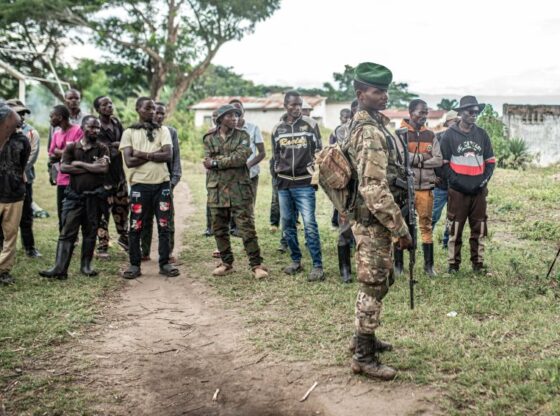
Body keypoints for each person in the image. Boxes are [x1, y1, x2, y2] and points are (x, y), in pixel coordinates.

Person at [346, 62, 412, 380]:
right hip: (374, 220)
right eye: (376, 91)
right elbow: (373, 188)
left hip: (372, 219)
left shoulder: (371, 124)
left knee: (383, 280)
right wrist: (399, 228)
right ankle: (363, 356)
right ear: (361, 94)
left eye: (386, 90)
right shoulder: (370, 131)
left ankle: (365, 338)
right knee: (372, 286)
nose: (383, 96)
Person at [203, 104, 268, 279]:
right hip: (217, 189)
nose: (235, 118)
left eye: (236, 116)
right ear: (220, 119)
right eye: (230, 116)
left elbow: (240, 158)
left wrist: (217, 163)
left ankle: (256, 265)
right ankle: (226, 263)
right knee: (219, 228)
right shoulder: (209, 138)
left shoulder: (243, 135)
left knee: (246, 228)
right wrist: (218, 161)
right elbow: (206, 160)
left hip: (239, 189)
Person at [39, 116, 109, 280]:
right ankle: (59, 268)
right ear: (83, 127)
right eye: (91, 127)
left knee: (90, 232)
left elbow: (103, 169)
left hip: (94, 197)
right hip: (74, 197)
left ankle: (86, 266)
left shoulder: (102, 148)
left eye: (97, 128)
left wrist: (79, 164)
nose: (95, 130)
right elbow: (64, 168)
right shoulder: (71, 147)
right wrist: (92, 167)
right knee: (67, 232)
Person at [119, 97, 179, 279]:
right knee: (136, 225)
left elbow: (168, 155)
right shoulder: (129, 132)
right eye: (148, 108)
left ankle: (164, 263)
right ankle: (134, 264)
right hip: (139, 185)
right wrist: (154, 154)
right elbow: (129, 161)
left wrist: (141, 154)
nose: (152, 112)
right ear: (138, 109)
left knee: (164, 225)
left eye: (154, 109)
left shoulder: (163, 131)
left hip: (162, 184)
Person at [271, 90, 324, 282]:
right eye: (293, 105)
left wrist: (314, 174)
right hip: (284, 183)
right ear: (286, 105)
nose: (297, 108)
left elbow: (319, 151)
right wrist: (277, 171)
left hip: (304, 183)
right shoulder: (278, 129)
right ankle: (296, 261)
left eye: (299, 105)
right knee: (288, 224)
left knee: (310, 224)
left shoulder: (310, 125)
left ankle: (317, 266)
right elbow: (276, 155)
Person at [441, 96, 495, 273]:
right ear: (461, 113)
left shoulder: (482, 134)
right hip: (457, 192)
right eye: (470, 111)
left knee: (478, 228)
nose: (474, 114)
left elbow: (490, 162)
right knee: (455, 227)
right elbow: (443, 164)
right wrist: (457, 183)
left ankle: (477, 264)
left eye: (476, 111)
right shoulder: (449, 135)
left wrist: (482, 182)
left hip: (479, 192)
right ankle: (453, 265)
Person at [397, 99, 442, 277]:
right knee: (400, 226)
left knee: (426, 225)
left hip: (425, 188)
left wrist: (417, 160)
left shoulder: (431, 135)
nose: (424, 116)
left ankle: (428, 266)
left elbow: (438, 159)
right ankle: (398, 265)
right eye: (420, 112)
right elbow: (401, 158)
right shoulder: (399, 134)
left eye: (426, 113)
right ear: (410, 112)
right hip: (404, 188)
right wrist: (425, 158)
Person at [141, 102, 182, 262]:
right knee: (144, 219)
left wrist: (173, 180)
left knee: (166, 219)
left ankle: (167, 252)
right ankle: (144, 251)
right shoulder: (140, 131)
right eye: (156, 112)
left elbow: (175, 157)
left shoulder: (171, 132)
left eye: (161, 113)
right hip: (144, 182)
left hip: (164, 183)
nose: (158, 116)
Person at [93, 95, 129, 259]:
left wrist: (115, 146)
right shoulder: (95, 126)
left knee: (122, 207)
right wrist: (115, 146)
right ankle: (102, 245)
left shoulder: (115, 122)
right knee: (102, 212)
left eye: (110, 103)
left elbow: (123, 143)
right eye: (104, 104)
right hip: (102, 177)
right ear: (98, 109)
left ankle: (124, 237)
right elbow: (100, 149)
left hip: (118, 174)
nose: (109, 106)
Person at [5, 99, 41, 258]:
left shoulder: (31, 133)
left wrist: (16, 172)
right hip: (2, 182)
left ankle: (29, 247)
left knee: (26, 215)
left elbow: (30, 158)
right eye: (17, 113)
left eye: (22, 113)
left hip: (23, 180)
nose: (21, 117)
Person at [0, 104, 30, 285]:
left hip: (14, 194)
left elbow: (22, 165)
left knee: (10, 235)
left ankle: (3, 271)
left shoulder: (22, 141)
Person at [334, 100, 358, 283]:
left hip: (370, 184)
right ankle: (345, 270)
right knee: (345, 228)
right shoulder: (343, 130)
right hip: (349, 185)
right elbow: (343, 153)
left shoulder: (378, 128)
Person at [48, 105, 84, 231]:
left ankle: (72, 238)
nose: (50, 119)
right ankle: (64, 241)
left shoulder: (78, 131)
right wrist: (65, 152)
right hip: (61, 179)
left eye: (51, 116)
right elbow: (52, 154)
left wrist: (60, 152)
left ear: (60, 117)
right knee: (61, 211)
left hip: (75, 179)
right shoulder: (56, 134)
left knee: (73, 212)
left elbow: (79, 153)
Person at [432, 110, 459, 249]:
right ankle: (426, 240)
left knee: (452, 217)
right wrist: (431, 176)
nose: (455, 123)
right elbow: (429, 158)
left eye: (457, 121)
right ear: (447, 123)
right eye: (453, 121)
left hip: (456, 187)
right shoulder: (437, 137)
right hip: (440, 185)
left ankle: (447, 242)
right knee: (433, 215)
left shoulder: (462, 140)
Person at [329, 106, 354, 229]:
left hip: (349, 168)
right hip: (340, 168)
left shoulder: (352, 130)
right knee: (339, 199)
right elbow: (332, 149)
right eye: (345, 117)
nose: (347, 120)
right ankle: (335, 221)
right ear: (340, 118)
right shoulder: (336, 131)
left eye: (349, 117)